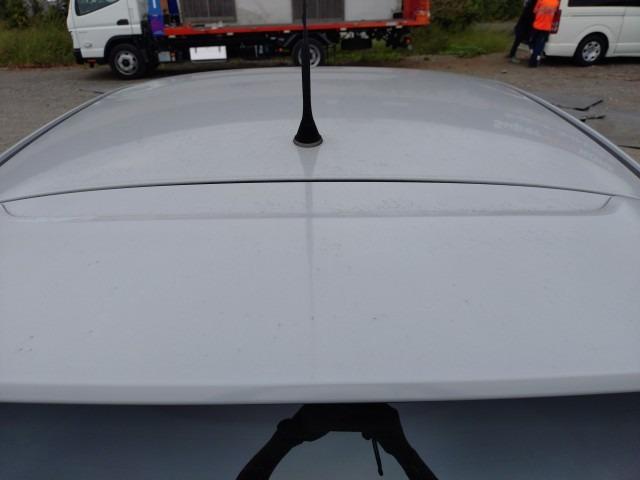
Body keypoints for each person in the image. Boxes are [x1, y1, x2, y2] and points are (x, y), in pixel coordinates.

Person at [529, 0, 560, 67]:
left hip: (537, 25)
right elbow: (555, 13)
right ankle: (535, 59)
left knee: (533, 42)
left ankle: (533, 59)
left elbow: (534, 11)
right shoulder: (556, 2)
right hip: (546, 27)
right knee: (539, 44)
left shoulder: (541, 0)